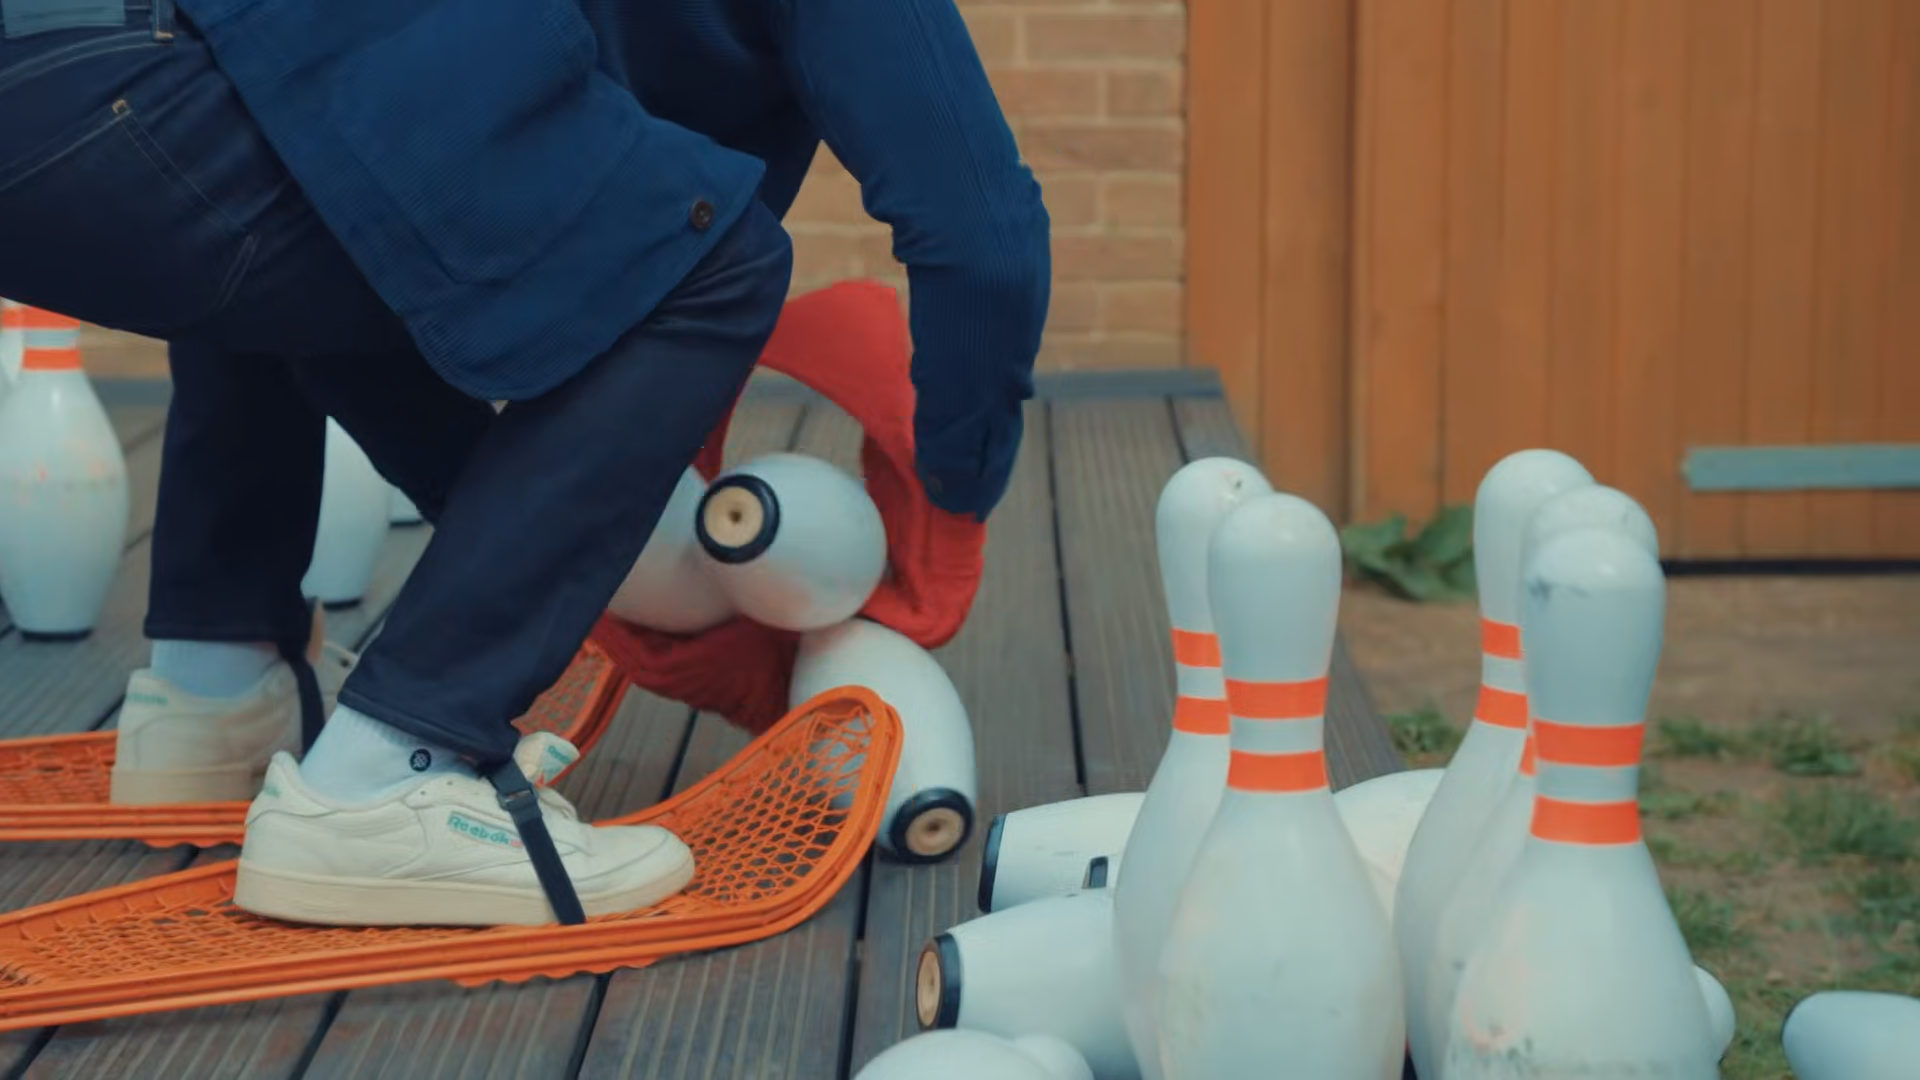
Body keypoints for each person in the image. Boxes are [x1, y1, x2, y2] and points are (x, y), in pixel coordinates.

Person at [0, 0, 1049, 929]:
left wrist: (540, 543)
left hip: (81, 75)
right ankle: (385, 776)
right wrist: (948, 510)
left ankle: (212, 693)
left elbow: (396, 285)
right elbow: (982, 233)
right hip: (129, 90)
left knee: (307, 180)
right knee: (717, 268)